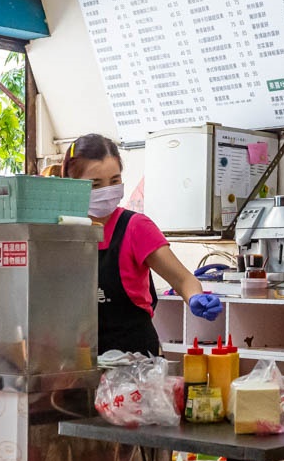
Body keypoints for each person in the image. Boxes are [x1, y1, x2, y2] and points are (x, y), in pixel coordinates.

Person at [63, 134, 222, 356]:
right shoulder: (59, 231)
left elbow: (183, 279)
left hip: (135, 362)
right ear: (70, 185)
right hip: (77, 360)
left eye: (114, 181)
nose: (107, 191)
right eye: (96, 184)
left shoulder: (136, 227)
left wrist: (195, 297)